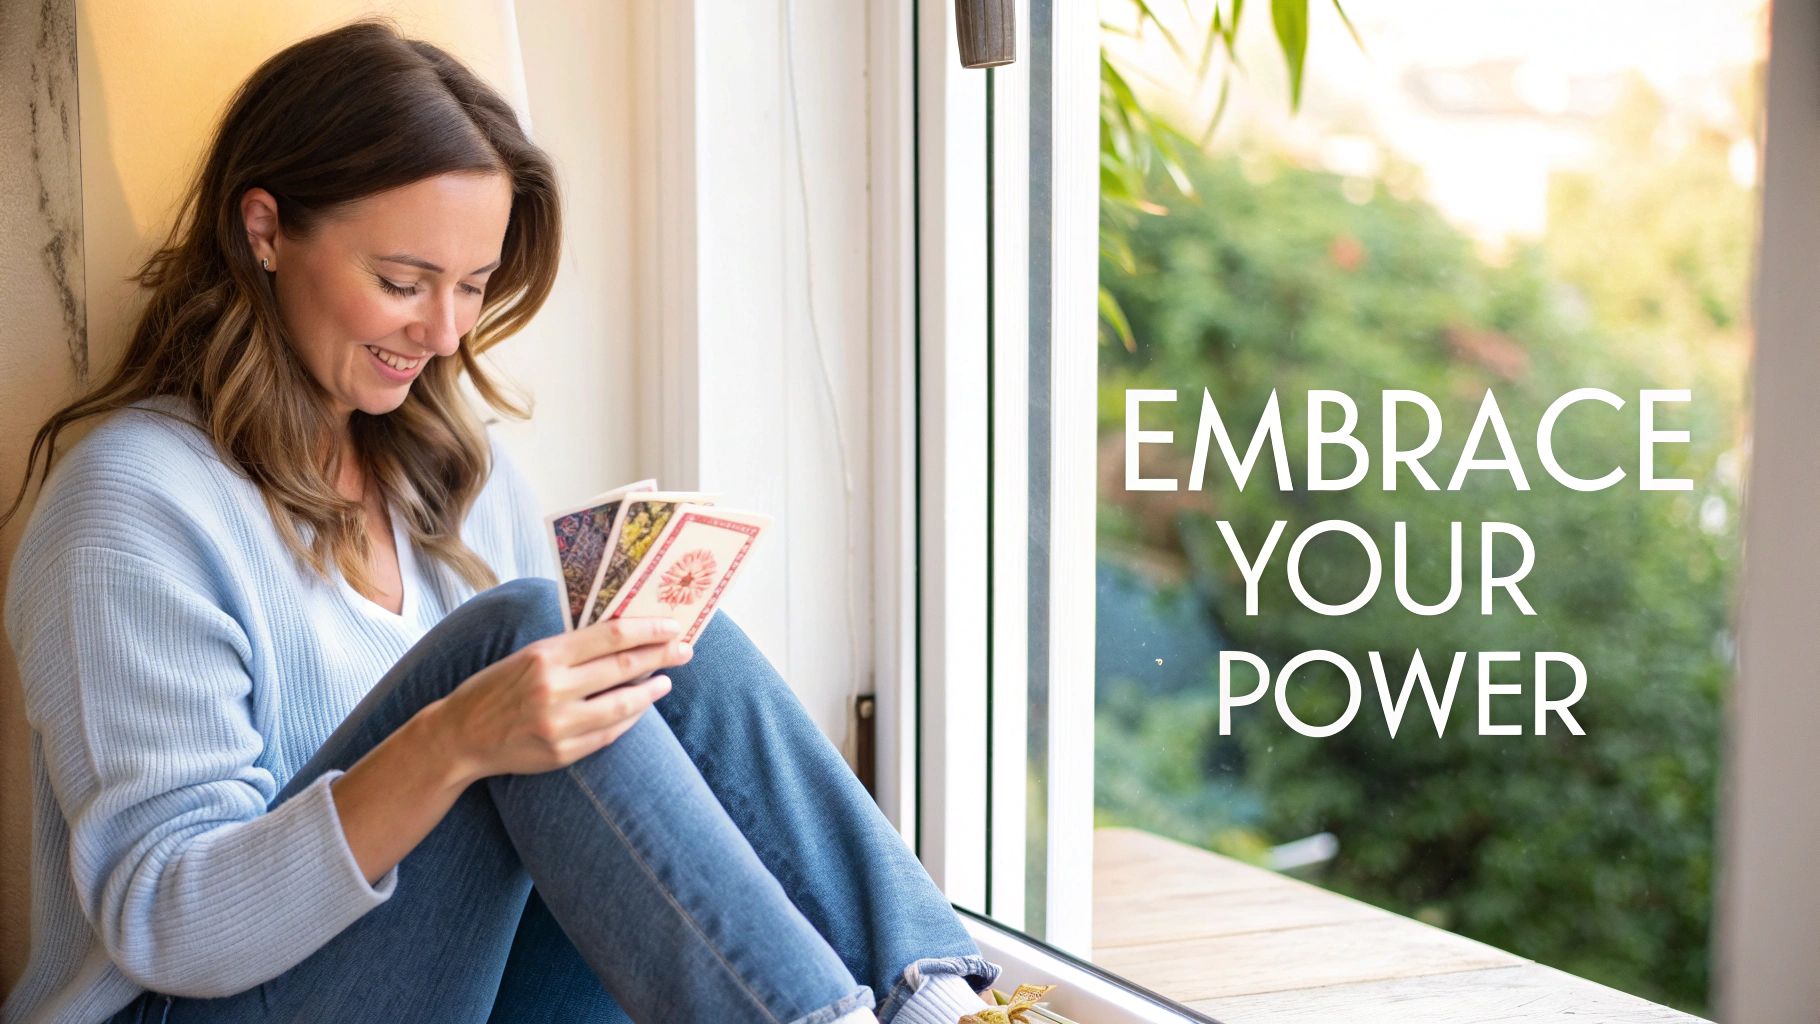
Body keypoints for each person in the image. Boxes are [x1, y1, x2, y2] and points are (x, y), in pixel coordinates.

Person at [0, 20, 999, 1024]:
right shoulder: (132, 503)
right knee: (526, 641)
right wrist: (453, 740)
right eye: (401, 282)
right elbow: (170, 922)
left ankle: (937, 1003)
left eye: (470, 286)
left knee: (657, 652)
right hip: (187, 1005)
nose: (441, 334)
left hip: (440, 989)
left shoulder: (453, 474)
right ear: (264, 229)